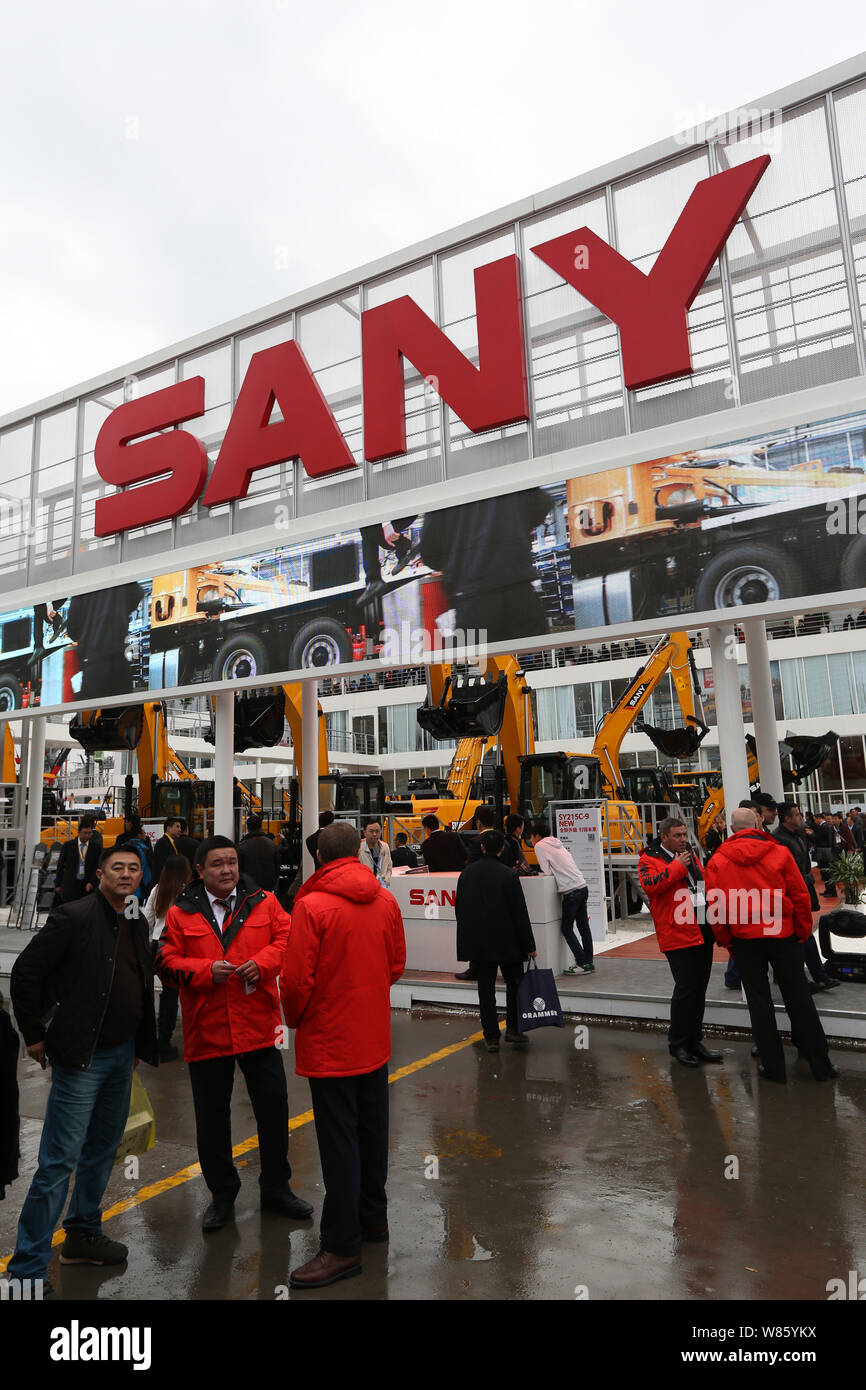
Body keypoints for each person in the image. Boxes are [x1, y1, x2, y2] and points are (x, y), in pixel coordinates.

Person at [7, 845, 158, 1298]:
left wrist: (138, 1043)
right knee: (58, 1163)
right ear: (99, 874)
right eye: (118, 868)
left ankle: (81, 1235)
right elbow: (25, 973)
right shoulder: (73, 916)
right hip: (81, 1058)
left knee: (100, 1153)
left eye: (134, 868)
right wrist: (33, 1035)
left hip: (120, 1055)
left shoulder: (136, 918)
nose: (127, 874)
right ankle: (26, 1271)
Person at [156, 836, 313, 1232]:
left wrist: (263, 963)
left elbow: (288, 939)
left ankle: (276, 1188)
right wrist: (205, 972)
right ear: (200, 871)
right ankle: (222, 1194)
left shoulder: (264, 901)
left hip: (259, 1028)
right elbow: (165, 961)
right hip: (207, 1029)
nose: (227, 870)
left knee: (274, 1111)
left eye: (231, 863)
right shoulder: (180, 912)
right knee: (211, 1119)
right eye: (217, 864)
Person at [279, 823, 406, 1289]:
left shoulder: (310, 907)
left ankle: (341, 1246)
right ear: (358, 849)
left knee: (339, 1145)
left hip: (330, 1043)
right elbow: (395, 964)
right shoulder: (385, 900)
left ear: (317, 856)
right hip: (373, 1038)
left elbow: (295, 983)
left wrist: (296, 1020)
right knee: (373, 1133)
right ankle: (374, 1221)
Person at [705, 808, 838, 1083]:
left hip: (744, 938)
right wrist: (801, 932)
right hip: (782, 935)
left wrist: (726, 939)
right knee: (799, 998)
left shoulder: (718, 861)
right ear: (757, 823)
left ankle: (773, 1067)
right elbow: (799, 895)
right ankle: (820, 1065)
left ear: (731, 829)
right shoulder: (778, 853)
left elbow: (715, 905)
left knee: (759, 1002)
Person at [638, 816, 721, 1068]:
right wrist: (677, 867)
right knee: (685, 989)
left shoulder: (691, 856)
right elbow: (651, 887)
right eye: (677, 836)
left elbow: (702, 884)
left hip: (700, 929)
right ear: (664, 836)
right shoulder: (648, 859)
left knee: (699, 989)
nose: (683, 840)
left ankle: (695, 1040)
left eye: (685, 835)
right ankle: (678, 1044)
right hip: (676, 932)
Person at [419, 490, 553, 643]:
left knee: (482, 665)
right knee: (536, 660)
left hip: (473, 602)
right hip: (519, 592)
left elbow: (431, 554)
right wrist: (517, 525)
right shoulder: (505, 470)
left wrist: (458, 557)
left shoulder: (441, 490)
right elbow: (543, 502)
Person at [456, 830, 537, 1053]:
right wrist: (529, 945)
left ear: (482, 848)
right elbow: (520, 912)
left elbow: (460, 909)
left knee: (485, 989)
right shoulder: (508, 875)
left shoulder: (467, 874)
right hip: (508, 941)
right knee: (514, 985)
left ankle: (491, 1037)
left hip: (479, 942)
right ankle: (513, 1029)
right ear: (502, 849)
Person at [773, 803, 840, 994]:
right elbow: (787, 870)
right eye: (796, 814)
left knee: (802, 936)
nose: (800, 816)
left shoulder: (798, 834)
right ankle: (816, 976)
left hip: (801, 890)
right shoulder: (780, 839)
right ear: (787, 818)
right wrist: (807, 878)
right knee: (803, 936)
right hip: (792, 894)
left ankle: (814, 976)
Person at [143, 853, 192, 1061]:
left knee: (149, 995)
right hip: (178, 948)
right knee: (172, 996)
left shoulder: (157, 889)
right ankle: (164, 1041)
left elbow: (148, 920)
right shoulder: (190, 892)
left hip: (156, 946)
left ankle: (149, 1041)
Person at [530, 821, 594, 975]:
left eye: (531, 837)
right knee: (583, 927)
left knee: (566, 928)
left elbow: (546, 871)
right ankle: (589, 961)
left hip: (570, 891)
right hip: (582, 885)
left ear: (537, 836)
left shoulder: (540, 846)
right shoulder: (557, 842)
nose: (531, 840)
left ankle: (582, 962)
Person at [65, 581, 144, 699]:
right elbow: (137, 593)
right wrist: (122, 610)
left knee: (94, 713)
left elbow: (72, 628)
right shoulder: (120, 575)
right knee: (123, 713)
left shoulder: (82, 583)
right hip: (120, 660)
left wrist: (88, 635)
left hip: (93, 663)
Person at [54, 814, 101, 902]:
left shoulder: (95, 848)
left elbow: (97, 866)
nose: (87, 835)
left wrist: (91, 882)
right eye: (85, 833)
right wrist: (58, 885)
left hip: (87, 886)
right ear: (79, 832)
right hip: (70, 885)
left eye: (90, 833)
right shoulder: (68, 846)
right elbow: (60, 866)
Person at [238, 813, 281, 891]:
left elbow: (239, 869)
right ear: (261, 826)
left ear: (248, 828)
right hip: (268, 887)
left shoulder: (242, 846)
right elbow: (277, 867)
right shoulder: (272, 844)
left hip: (249, 888)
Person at [358, 819, 392, 887]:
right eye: (371, 831)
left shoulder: (385, 847)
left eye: (377, 831)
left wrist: (386, 880)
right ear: (364, 832)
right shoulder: (358, 848)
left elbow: (389, 868)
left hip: (381, 887)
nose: (374, 834)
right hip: (364, 887)